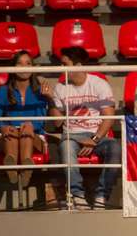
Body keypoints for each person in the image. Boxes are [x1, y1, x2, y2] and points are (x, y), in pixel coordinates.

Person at [46, 46, 121, 210]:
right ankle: (77, 194)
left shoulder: (99, 83)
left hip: (96, 135)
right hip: (71, 136)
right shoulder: (60, 87)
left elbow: (109, 115)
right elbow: (58, 123)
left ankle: (102, 195)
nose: (61, 68)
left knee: (115, 148)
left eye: (65, 64)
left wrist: (94, 139)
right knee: (65, 147)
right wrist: (51, 101)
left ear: (78, 65)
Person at [0, 50, 50, 186]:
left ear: (33, 68)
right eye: (19, 63)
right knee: (12, 132)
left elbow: (41, 119)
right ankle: (14, 163)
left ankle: (25, 165)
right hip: (8, 134)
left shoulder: (39, 90)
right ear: (13, 67)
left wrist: (32, 126)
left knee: (27, 130)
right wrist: (2, 126)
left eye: (28, 63)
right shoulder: (3, 90)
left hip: (33, 135)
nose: (24, 67)